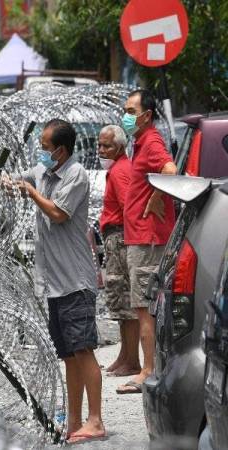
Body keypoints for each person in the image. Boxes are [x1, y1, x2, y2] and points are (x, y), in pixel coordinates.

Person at [0, 119, 105, 444]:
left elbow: (58, 213)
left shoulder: (75, 175)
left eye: (45, 148)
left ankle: (96, 420)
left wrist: (33, 193)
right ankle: (76, 420)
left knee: (84, 351)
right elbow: (4, 182)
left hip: (76, 281)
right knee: (68, 355)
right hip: (56, 283)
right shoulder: (43, 172)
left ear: (61, 151)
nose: (41, 153)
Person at [116, 89, 177, 395]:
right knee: (146, 307)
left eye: (131, 111)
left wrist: (155, 198)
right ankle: (150, 368)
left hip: (147, 238)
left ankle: (148, 370)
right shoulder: (141, 143)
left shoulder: (151, 141)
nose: (126, 116)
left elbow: (170, 170)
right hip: (141, 237)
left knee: (144, 308)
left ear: (147, 115)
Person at [98, 125, 141, 377]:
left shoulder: (120, 171)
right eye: (100, 145)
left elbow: (129, 207)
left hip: (121, 239)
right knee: (119, 302)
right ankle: (125, 355)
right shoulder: (117, 169)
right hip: (116, 238)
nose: (101, 150)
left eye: (107, 146)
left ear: (121, 147)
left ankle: (132, 360)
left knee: (126, 301)